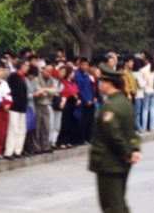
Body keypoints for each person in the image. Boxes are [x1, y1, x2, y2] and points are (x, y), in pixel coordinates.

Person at [89, 64, 141, 213]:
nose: (100, 85)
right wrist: (134, 149)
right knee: (119, 202)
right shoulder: (125, 103)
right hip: (122, 161)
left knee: (111, 205)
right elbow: (132, 131)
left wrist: (126, 153)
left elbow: (113, 135)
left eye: (101, 82)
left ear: (108, 83)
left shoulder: (110, 107)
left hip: (109, 162)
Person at [4, 60, 29, 159]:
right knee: (13, 129)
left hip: (22, 107)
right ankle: (8, 152)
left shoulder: (23, 78)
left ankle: (18, 150)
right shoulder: (14, 76)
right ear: (21, 66)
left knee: (22, 129)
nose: (27, 67)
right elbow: (13, 92)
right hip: (14, 106)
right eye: (26, 65)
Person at [32, 64, 59, 153]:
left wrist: (45, 90)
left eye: (49, 71)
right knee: (37, 127)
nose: (47, 73)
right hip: (38, 105)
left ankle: (45, 146)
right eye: (46, 70)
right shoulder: (37, 78)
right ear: (43, 70)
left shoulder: (51, 80)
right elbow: (38, 90)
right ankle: (36, 147)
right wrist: (48, 90)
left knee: (46, 127)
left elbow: (55, 90)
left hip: (46, 105)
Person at [57, 66, 80, 148]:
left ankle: (68, 140)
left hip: (73, 105)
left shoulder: (73, 83)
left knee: (71, 124)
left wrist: (78, 99)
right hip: (66, 104)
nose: (73, 74)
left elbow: (76, 93)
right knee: (64, 123)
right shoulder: (63, 82)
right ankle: (61, 141)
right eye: (72, 73)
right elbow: (63, 93)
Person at [74, 58, 96, 142]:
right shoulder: (77, 75)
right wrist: (86, 100)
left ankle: (88, 137)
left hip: (90, 100)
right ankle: (80, 139)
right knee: (82, 121)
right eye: (83, 64)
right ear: (79, 65)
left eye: (87, 65)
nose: (85, 66)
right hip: (82, 101)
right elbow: (79, 89)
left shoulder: (86, 75)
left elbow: (89, 88)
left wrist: (92, 98)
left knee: (89, 121)